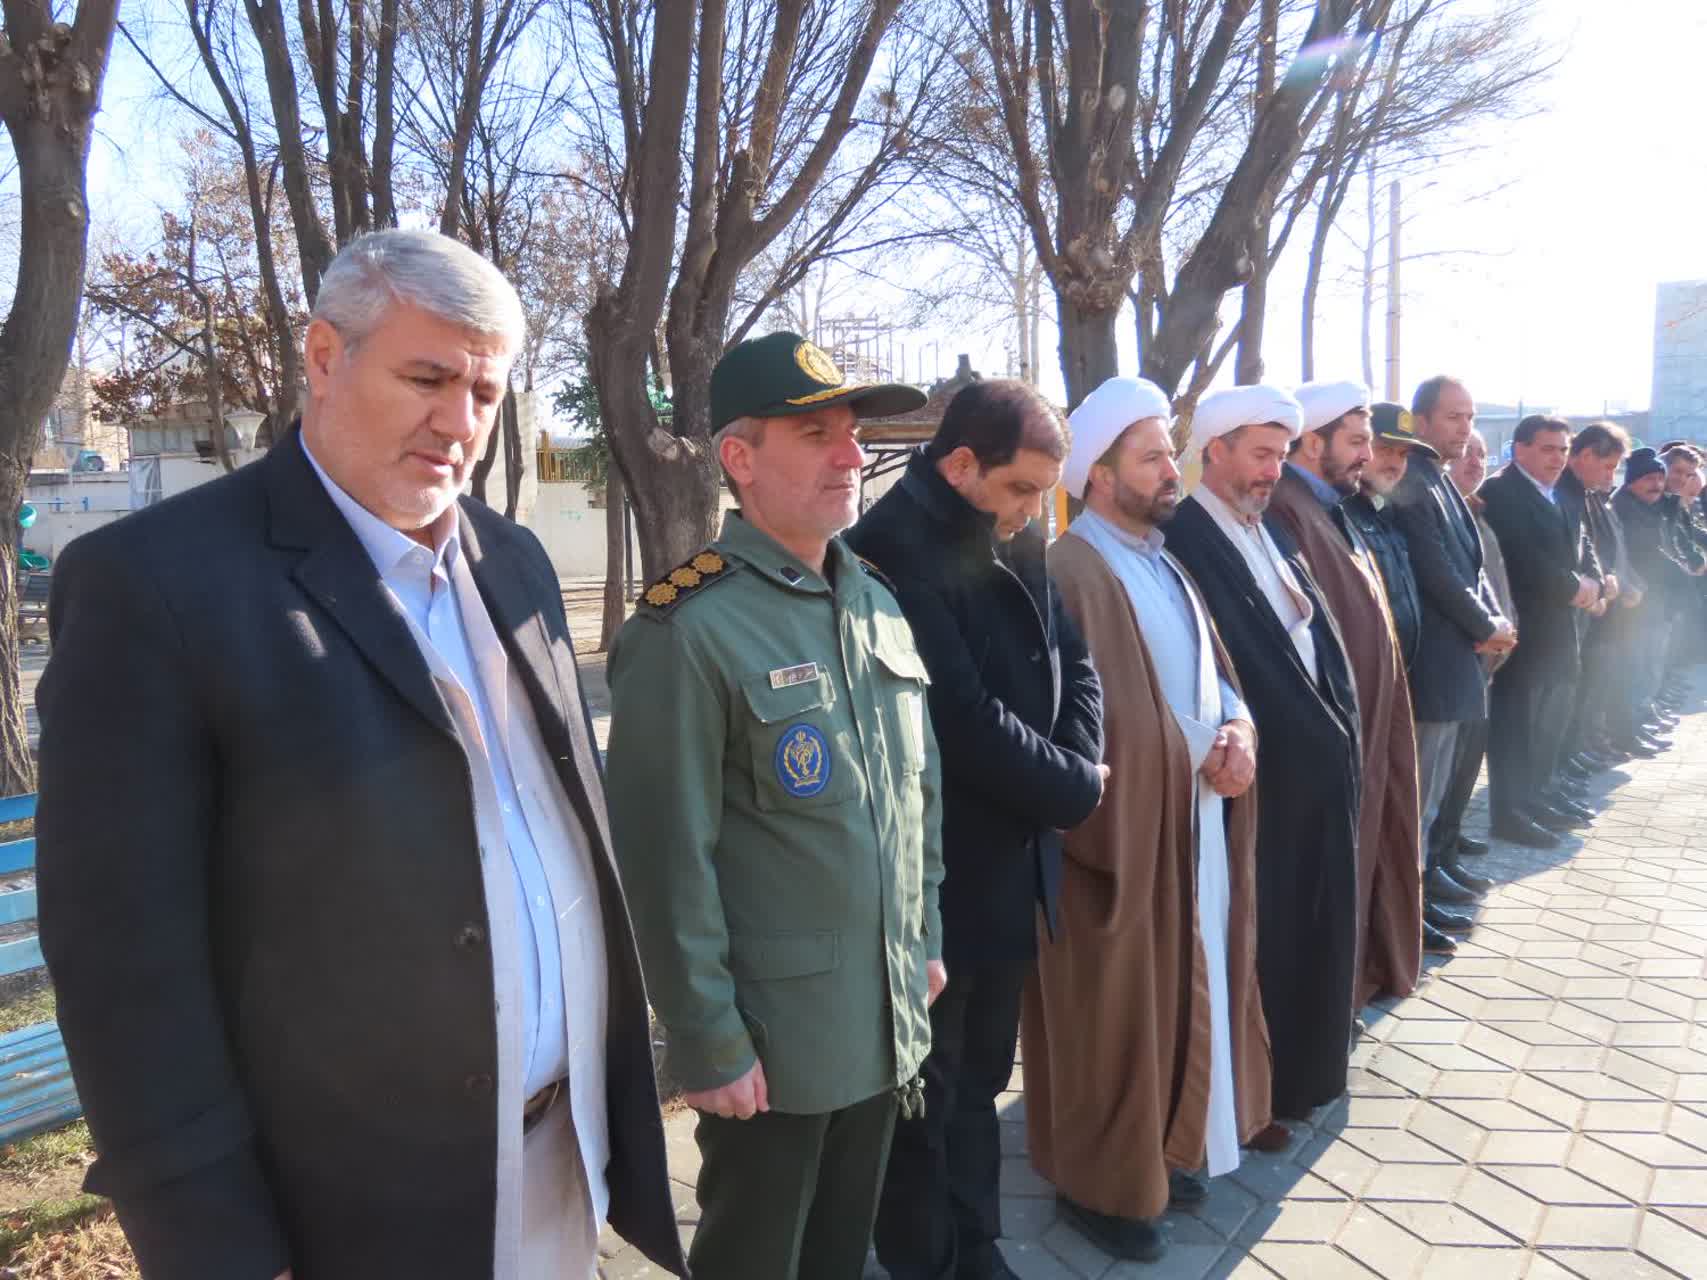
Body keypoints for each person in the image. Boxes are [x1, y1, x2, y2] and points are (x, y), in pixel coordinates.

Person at [34, 230, 686, 1279]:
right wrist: (218, 1249)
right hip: (347, 1217)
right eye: (426, 376)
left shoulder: (509, 559)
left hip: (565, 1165)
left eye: (485, 391)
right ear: (325, 358)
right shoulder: (156, 585)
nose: (460, 422)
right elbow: (124, 970)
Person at [604, 331, 945, 1280]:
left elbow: (919, 791)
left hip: (881, 1012)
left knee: (839, 1255)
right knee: (756, 1258)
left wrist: (924, 939)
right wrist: (707, 1042)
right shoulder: (687, 627)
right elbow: (666, 857)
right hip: (773, 1047)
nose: (850, 456)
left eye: (851, 435)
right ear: (740, 460)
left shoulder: (872, 598)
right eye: (816, 434)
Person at [847, 379, 1106, 1280]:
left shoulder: (1013, 528)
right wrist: (1076, 786)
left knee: (983, 1074)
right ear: (961, 464)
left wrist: (1080, 758)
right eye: (1021, 490)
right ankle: (927, 1258)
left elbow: (1072, 656)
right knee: (928, 1091)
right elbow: (957, 718)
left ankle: (976, 1241)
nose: (1034, 510)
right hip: (939, 876)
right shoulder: (887, 549)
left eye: (1042, 492)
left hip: (1011, 864)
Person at [1018, 378, 1273, 1264]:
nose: (1174, 467)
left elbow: (1211, 675)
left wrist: (1236, 726)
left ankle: (1169, 1149)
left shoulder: (1162, 558)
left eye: (1172, 451)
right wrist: (1193, 749)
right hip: (1115, 848)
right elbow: (1081, 724)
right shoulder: (1072, 569)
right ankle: (1102, 1186)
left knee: (1181, 994)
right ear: (1097, 474)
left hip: (1191, 826)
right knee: (1112, 1019)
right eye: (1153, 455)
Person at [1162, 384, 1361, 1122]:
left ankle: (1308, 1073)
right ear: (1212, 453)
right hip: (1255, 786)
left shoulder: (1265, 530)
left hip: (1310, 778)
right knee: (1264, 937)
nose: (1270, 471)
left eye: (1279, 456)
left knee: (1311, 928)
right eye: (1258, 455)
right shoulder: (1186, 537)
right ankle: (1262, 1092)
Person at [1269, 381, 1422, 1010]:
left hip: (1371, 717)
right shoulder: (1287, 511)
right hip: (1336, 729)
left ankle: (1367, 968)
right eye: (1356, 441)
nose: (1367, 453)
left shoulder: (1333, 505)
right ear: (1311, 443)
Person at [1388, 378, 1522, 889]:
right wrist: (1486, 624)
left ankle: (1429, 882)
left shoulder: (1442, 480)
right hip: (1435, 666)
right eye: (1453, 417)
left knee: (1439, 792)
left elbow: (1474, 568)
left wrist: (1495, 620)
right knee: (1419, 797)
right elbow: (1435, 571)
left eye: (1469, 417)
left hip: (1461, 660)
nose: (1465, 428)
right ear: (1421, 422)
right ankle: (1413, 902)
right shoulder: (1414, 482)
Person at [1479, 415, 1604, 846]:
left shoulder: (1561, 493)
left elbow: (1584, 545)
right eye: (1548, 449)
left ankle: (1533, 800)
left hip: (1562, 629)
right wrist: (1577, 587)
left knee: (1546, 724)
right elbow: (1520, 558)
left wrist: (1596, 582)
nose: (1557, 458)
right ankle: (1509, 814)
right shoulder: (1501, 492)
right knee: (1516, 726)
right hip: (1524, 631)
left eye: (1563, 450)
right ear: (1520, 449)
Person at [1433, 430, 1525, 897]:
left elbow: (1490, 581)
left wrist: (1503, 626)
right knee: (1441, 778)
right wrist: (1485, 627)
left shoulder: (1475, 514)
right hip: (1461, 657)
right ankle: (1433, 865)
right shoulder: (1436, 509)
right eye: (1466, 451)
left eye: (1482, 455)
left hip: (1485, 659)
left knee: (1465, 768)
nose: (1474, 462)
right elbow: (1449, 583)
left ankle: (1446, 850)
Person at [1556, 423, 1633, 777]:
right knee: (1565, 699)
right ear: (1585, 455)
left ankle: (1573, 754)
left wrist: (1605, 581)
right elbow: (1560, 554)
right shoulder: (1562, 491)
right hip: (1567, 613)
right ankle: (1561, 763)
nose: (1611, 474)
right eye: (1608, 465)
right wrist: (1594, 589)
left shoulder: (1588, 495)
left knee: (1585, 691)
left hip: (1592, 608)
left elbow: (1595, 548)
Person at [1610, 449, 1686, 755]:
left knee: (1649, 667)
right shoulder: (1625, 508)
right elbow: (1648, 553)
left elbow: (1673, 543)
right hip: (1636, 607)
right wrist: (1685, 573)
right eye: (1648, 479)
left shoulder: (1658, 507)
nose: (1656, 485)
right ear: (1631, 482)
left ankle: (1637, 726)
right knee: (1635, 670)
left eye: (1659, 478)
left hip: (1658, 603)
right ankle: (1627, 733)